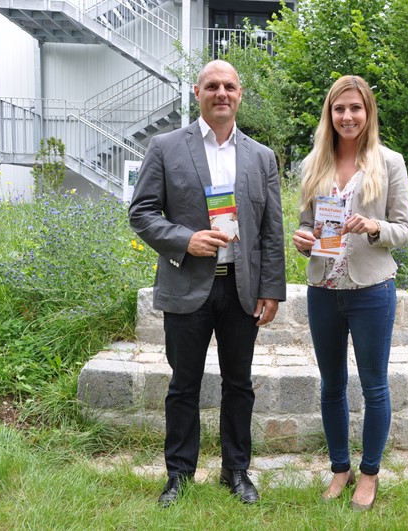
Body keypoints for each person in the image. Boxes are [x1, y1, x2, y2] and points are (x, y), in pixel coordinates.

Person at [129, 60, 286, 507]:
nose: (222, 93)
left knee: (240, 384)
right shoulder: (165, 147)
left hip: (241, 289)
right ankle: (179, 474)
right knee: (184, 384)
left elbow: (271, 230)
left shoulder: (260, 156)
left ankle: (235, 470)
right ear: (197, 92)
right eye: (212, 86)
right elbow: (141, 213)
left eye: (230, 86)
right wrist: (186, 238)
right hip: (187, 285)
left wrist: (272, 289)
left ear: (240, 95)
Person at [292, 75, 408, 511]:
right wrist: (301, 237)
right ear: (330, 113)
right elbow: (306, 222)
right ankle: (339, 468)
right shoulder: (313, 164)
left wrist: (375, 227)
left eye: (355, 109)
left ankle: (369, 474)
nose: (347, 116)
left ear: (368, 113)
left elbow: (404, 229)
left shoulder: (390, 163)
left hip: (370, 289)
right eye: (339, 109)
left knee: (374, 386)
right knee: (331, 385)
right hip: (323, 288)